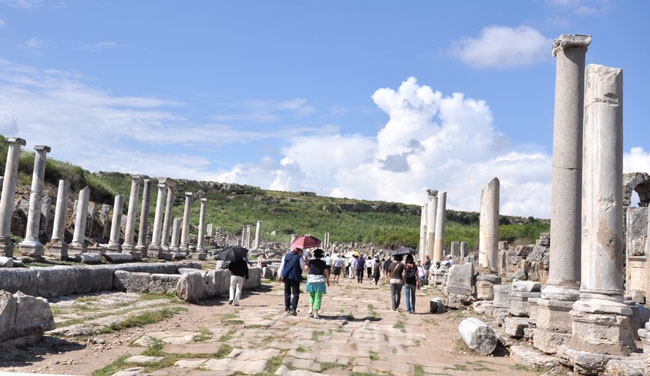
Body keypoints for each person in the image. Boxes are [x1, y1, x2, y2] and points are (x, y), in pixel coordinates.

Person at [278, 247, 305, 316]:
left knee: (287, 292)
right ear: (299, 251)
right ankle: (293, 306)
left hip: (286, 276)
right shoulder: (299, 257)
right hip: (295, 277)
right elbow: (303, 267)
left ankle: (287, 308)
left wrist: (280, 276)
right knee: (296, 293)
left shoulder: (285, 256)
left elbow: (281, 266)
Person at [305, 248, 330, 319]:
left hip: (311, 280)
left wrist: (306, 262)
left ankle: (310, 308)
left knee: (311, 295)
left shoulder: (311, 261)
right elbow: (326, 272)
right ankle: (316, 313)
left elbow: (306, 268)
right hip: (319, 280)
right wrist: (328, 280)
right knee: (318, 297)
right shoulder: (323, 262)